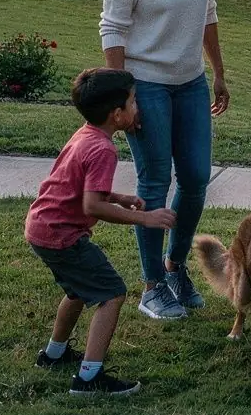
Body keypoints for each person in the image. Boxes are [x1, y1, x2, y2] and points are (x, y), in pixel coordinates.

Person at [100, 0, 230, 321]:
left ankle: (176, 268)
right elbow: (112, 28)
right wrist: (123, 97)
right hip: (146, 84)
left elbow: (208, 9)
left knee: (195, 178)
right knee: (155, 182)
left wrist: (217, 71)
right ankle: (152, 285)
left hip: (190, 80)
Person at [25, 67, 176, 397]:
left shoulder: (85, 134)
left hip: (41, 227)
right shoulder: (103, 149)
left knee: (78, 291)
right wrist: (146, 219)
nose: (139, 108)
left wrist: (119, 197)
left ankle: (54, 354)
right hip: (61, 234)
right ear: (117, 114)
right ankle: (89, 379)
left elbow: (77, 188)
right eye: (134, 102)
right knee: (111, 293)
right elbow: (92, 206)